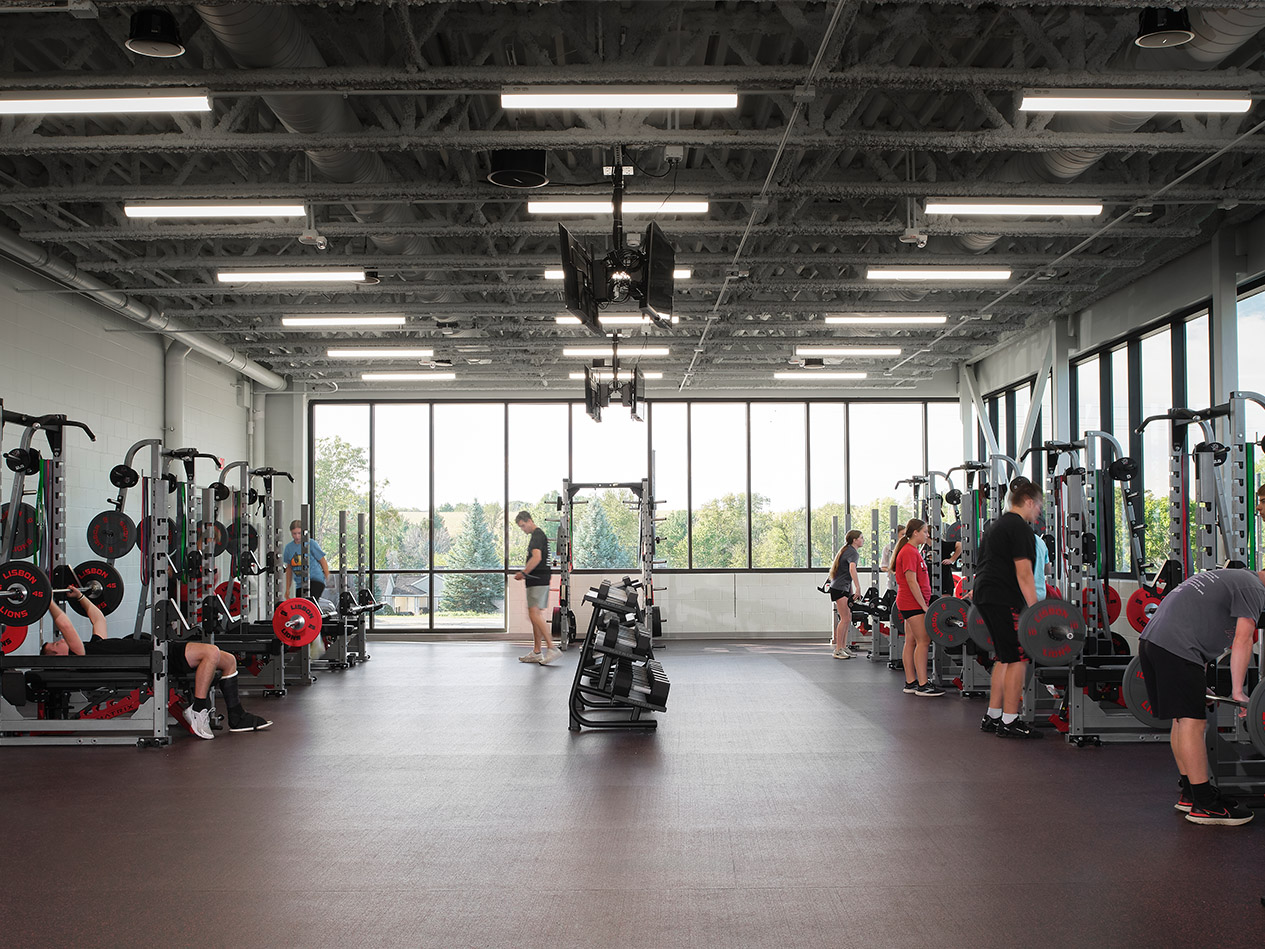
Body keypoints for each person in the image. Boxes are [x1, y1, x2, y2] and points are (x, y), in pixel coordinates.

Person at [40, 586, 270, 740]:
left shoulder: (93, 645)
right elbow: (66, 625)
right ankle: (198, 709)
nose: (57, 640)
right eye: (54, 645)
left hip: (158, 649)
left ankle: (237, 716)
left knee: (227, 659)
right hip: (155, 659)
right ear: (61, 657)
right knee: (210, 652)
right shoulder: (81, 656)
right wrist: (47, 599)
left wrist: (80, 596)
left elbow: (97, 617)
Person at [1139, 567, 1265, 826]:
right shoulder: (1253, 589)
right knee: (1193, 723)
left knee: (1181, 720)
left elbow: (1198, 624)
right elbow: (1243, 640)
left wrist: (1201, 683)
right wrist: (1238, 691)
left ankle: (1191, 792)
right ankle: (1206, 805)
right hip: (1177, 648)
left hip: (1155, 643)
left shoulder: (1232, 579)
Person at [974, 477, 1043, 739]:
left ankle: (993, 716)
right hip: (1002, 597)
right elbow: (1024, 574)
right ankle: (1010, 721)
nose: (1038, 512)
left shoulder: (996, 525)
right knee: (1018, 659)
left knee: (1004, 657)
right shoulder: (1020, 529)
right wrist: (1036, 614)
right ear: (1028, 502)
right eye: (1037, 506)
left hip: (986, 595)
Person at [892, 519, 944, 696]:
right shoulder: (908, 552)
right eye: (925, 532)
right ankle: (923, 684)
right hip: (912, 603)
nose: (927, 535)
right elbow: (911, 581)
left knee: (911, 641)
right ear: (916, 533)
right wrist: (924, 606)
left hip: (910, 603)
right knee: (924, 641)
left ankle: (911, 682)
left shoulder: (912, 551)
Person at [512, 511, 560, 665]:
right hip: (538, 580)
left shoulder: (537, 535)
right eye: (521, 527)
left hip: (537, 579)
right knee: (535, 616)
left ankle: (551, 647)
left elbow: (537, 557)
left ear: (530, 521)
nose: (523, 529)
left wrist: (524, 573)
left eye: (523, 526)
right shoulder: (538, 535)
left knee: (534, 614)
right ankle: (537, 651)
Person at [827, 530, 864, 659]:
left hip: (843, 588)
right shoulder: (852, 552)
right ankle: (837, 650)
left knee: (847, 617)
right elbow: (852, 569)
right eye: (861, 538)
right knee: (845, 618)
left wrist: (852, 591)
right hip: (839, 588)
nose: (863, 540)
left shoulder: (848, 550)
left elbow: (846, 574)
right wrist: (858, 588)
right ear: (855, 540)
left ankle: (842, 647)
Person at [283, 520, 331, 601]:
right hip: (300, 583)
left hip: (315, 580)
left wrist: (328, 578)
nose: (297, 536)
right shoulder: (289, 548)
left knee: (309, 605)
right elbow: (289, 569)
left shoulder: (311, 543)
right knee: (300, 608)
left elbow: (322, 561)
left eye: (299, 533)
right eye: (294, 534)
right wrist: (287, 589)